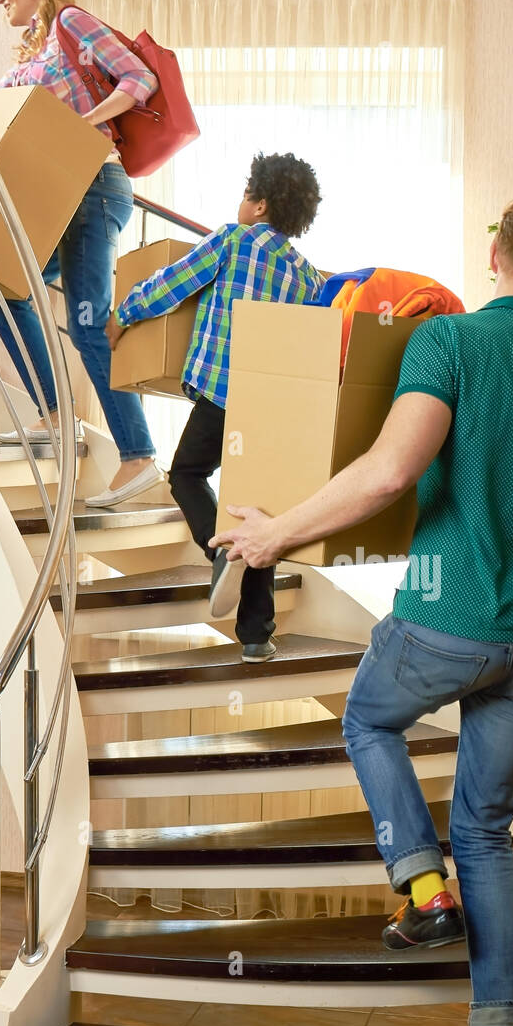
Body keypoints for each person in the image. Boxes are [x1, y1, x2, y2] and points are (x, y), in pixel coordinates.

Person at [209, 194, 513, 1026]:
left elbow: (389, 469)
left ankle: (424, 890)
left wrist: (276, 538)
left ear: (496, 255)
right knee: (489, 831)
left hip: (448, 620)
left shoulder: (451, 344)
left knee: (367, 719)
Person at [0, 0, 163, 508]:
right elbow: (22, 122)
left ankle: (139, 455)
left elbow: (138, 79)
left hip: (94, 187)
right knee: (7, 292)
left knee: (87, 319)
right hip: (61, 198)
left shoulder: (72, 23)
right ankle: (55, 414)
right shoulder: (31, 49)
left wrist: (82, 125)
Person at [107, 152, 323, 661]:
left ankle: (221, 550)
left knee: (185, 473)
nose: (240, 201)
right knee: (258, 510)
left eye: (246, 192)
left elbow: (173, 283)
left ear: (260, 203)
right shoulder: (308, 276)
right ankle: (257, 637)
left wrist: (124, 314)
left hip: (221, 391)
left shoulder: (231, 240)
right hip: (270, 405)